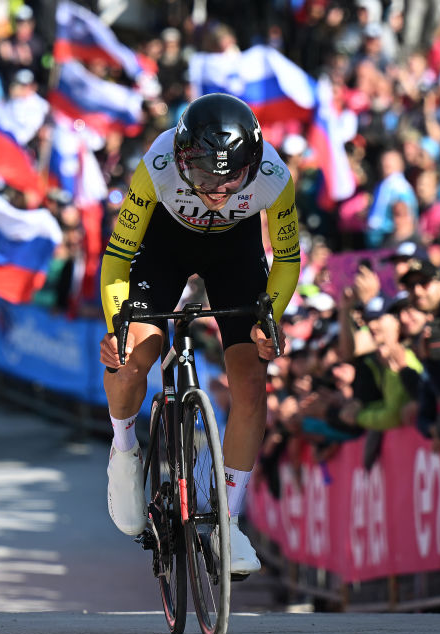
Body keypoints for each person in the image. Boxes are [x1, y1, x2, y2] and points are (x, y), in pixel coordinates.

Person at [98, 93, 300, 575]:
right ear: (183, 161)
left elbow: (288, 259)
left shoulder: (274, 176)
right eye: (205, 179)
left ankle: (227, 522)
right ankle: (123, 452)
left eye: (231, 180)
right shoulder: (158, 166)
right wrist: (116, 327)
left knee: (251, 382)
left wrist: (269, 320)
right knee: (132, 359)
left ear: (253, 165)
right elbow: (117, 259)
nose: (218, 192)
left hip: (235, 253)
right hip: (163, 247)